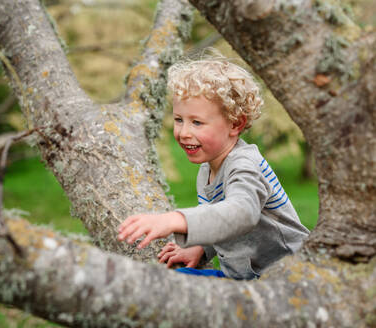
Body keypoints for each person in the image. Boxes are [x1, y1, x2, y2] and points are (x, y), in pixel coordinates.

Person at [117, 54, 310, 280]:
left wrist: (175, 220)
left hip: (290, 279)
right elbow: (223, 224)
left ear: (235, 124)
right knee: (165, 281)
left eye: (197, 122)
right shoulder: (206, 171)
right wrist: (203, 248)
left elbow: (241, 214)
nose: (183, 132)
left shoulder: (244, 165)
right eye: (179, 119)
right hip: (244, 278)